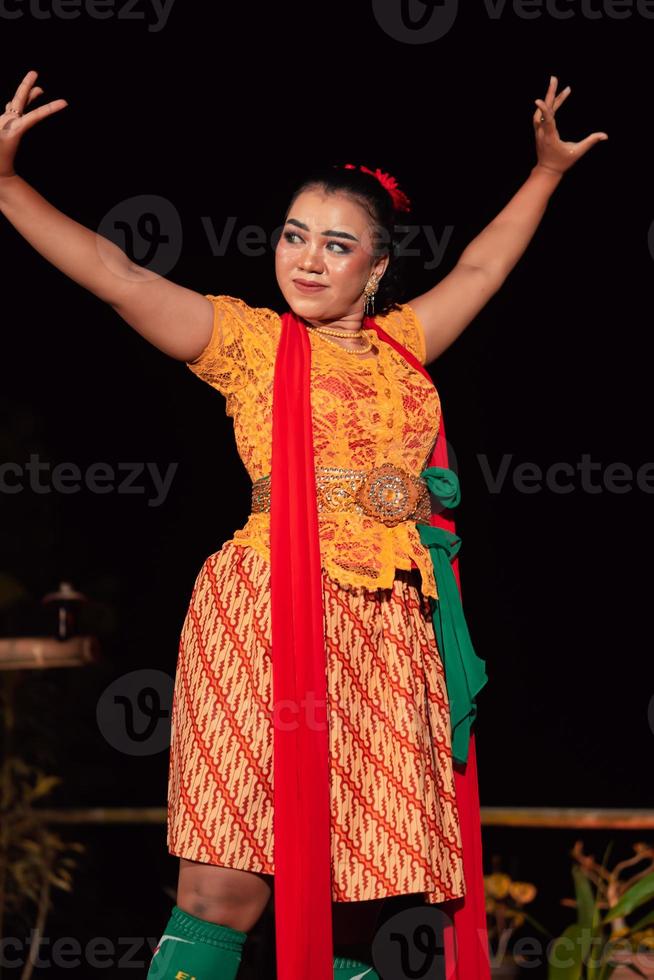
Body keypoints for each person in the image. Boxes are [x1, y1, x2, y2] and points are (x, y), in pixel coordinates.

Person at [0, 69, 608, 980]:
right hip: (271, 616)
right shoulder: (249, 342)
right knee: (225, 889)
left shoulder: (408, 345)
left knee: (363, 898)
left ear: (378, 265)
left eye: (336, 244)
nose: (308, 260)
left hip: (391, 630)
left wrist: (546, 176)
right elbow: (117, 275)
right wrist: (5, 185)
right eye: (294, 237)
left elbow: (480, 266)